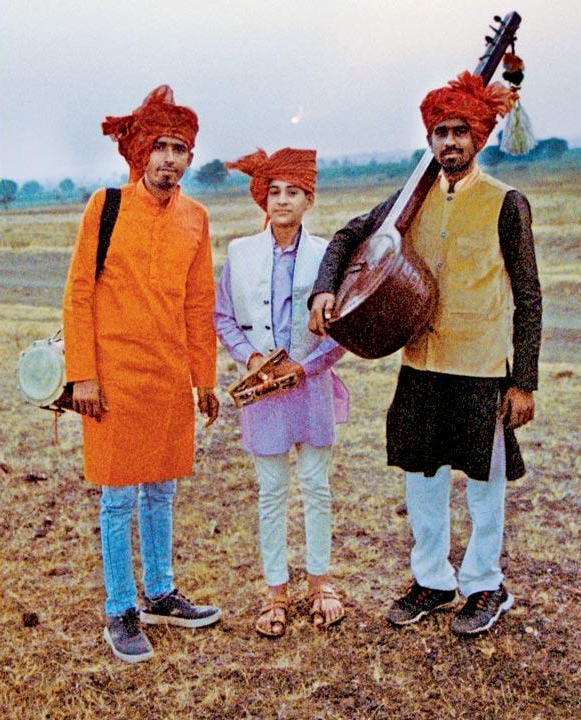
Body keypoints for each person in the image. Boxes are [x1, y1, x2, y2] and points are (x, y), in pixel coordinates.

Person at [309, 71, 542, 636]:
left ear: (479, 137)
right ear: (430, 140)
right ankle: (433, 580)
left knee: (485, 487)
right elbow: (347, 235)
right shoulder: (410, 199)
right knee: (423, 479)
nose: (449, 143)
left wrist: (524, 381)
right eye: (440, 132)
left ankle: (486, 585)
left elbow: (529, 294)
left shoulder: (506, 203)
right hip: (420, 364)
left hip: (480, 367)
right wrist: (325, 288)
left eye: (460, 131)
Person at [62, 85, 221, 664]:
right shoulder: (104, 207)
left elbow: (198, 303)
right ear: (139, 153)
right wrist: (82, 375)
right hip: (112, 378)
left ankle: (160, 592)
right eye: (161, 147)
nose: (170, 159)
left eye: (180, 148)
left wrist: (204, 378)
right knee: (117, 497)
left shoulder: (196, 219)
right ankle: (121, 609)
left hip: (168, 376)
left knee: (163, 489)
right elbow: (78, 293)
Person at [216, 148, 349, 637]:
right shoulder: (240, 253)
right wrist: (253, 361)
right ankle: (276, 590)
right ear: (263, 199)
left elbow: (341, 329)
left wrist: (306, 366)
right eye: (274, 192)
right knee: (271, 491)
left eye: (293, 192)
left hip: (311, 387)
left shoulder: (327, 256)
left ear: (308, 200)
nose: (282, 201)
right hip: (263, 389)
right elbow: (224, 317)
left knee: (315, 486)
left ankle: (320, 581)